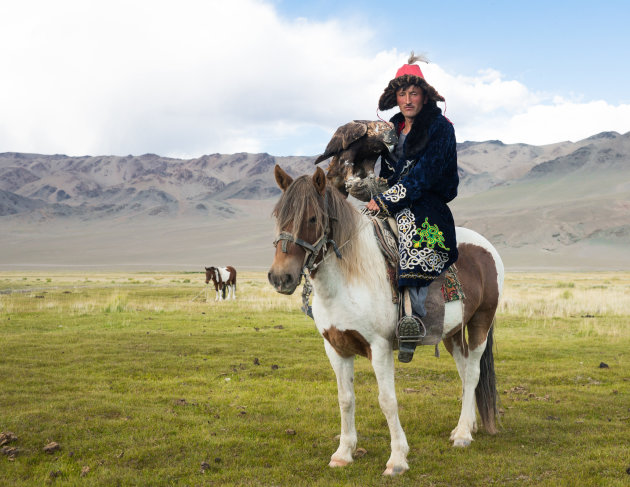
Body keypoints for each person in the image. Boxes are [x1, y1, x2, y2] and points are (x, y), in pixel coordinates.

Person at [366, 53, 459, 363]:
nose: (407, 99)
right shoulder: (392, 128)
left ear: (424, 96)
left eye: (413, 93)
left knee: (409, 230)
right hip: (393, 197)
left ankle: (413, 319)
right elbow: (386, 173)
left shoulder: (441, 128)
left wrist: (386, 200)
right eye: (402, 94)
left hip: (429, 202)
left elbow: (424, 176)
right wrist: (373, 191)